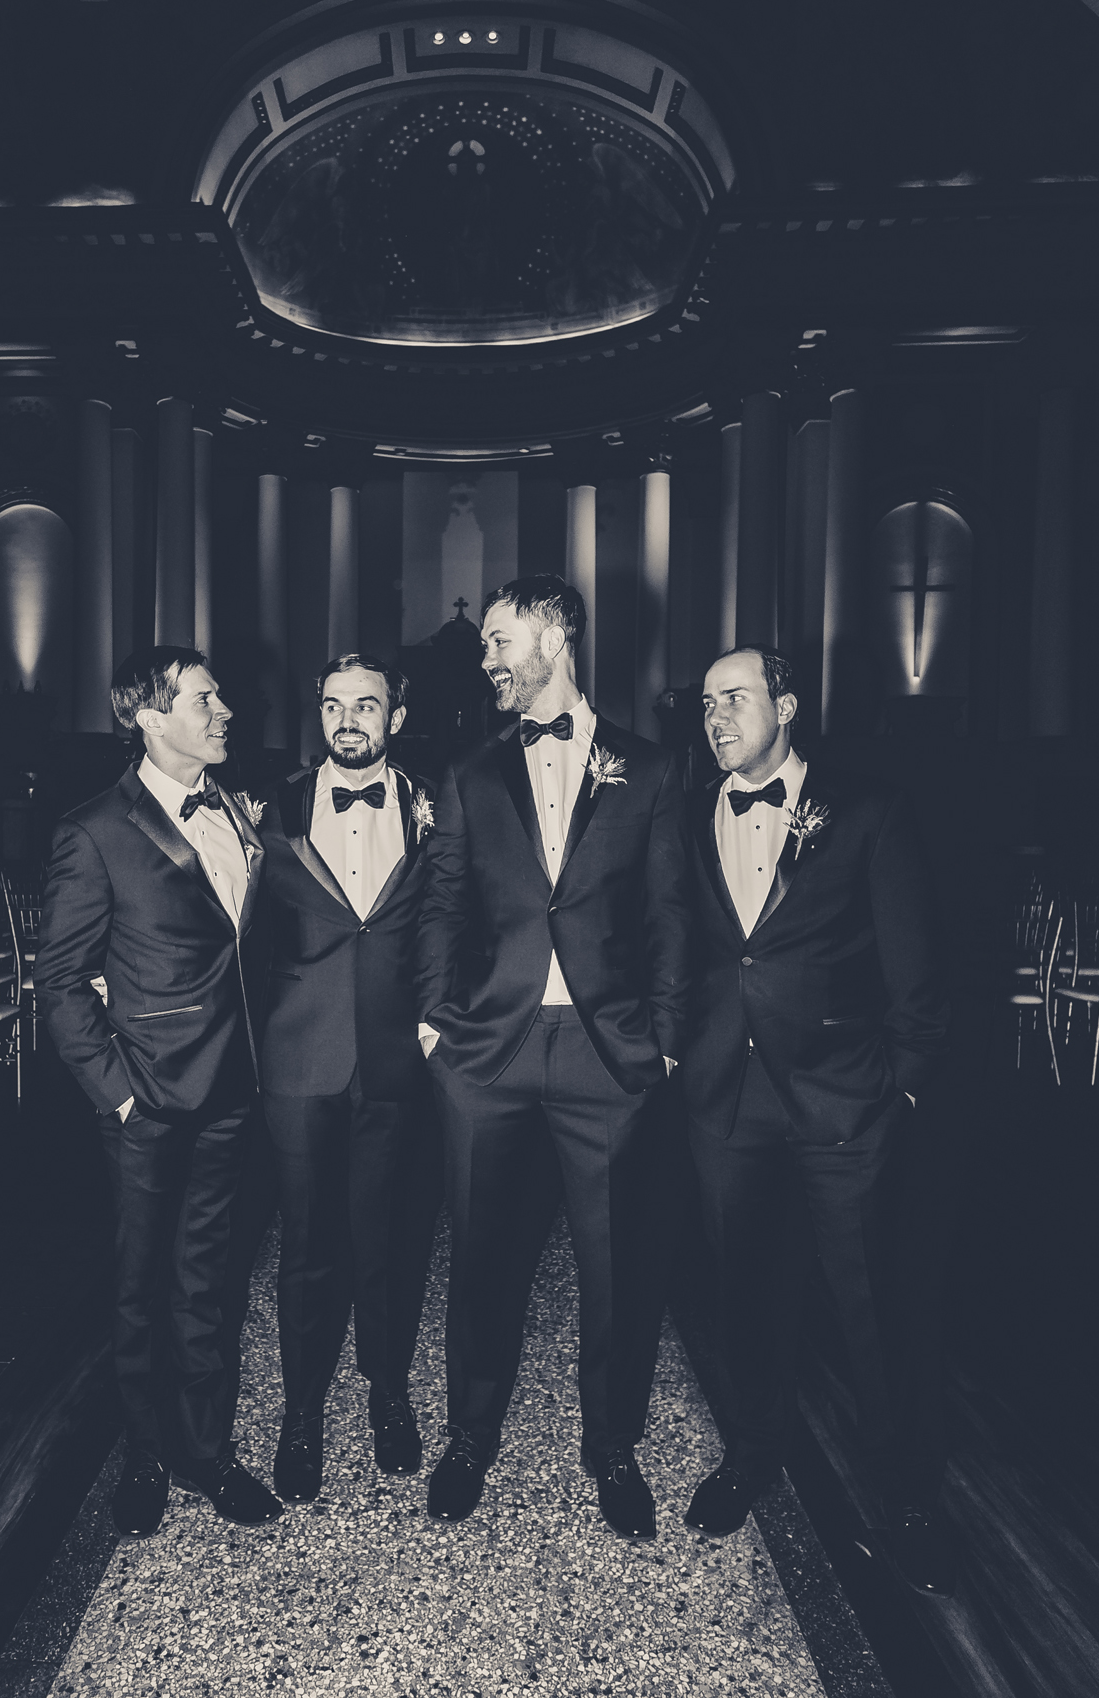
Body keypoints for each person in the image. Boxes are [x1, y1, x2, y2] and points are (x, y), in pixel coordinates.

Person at [415, 574, 689, 1538]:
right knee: (479, 1257)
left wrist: (662, 1040)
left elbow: (669, 915)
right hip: (487, 1052)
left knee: (617, 1267)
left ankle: (611, 1446)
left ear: (555, 638)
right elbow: (441, 905)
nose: (486, 658)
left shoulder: (650, 769)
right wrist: (433, 1023)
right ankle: (468, 1439)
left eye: (500, 641)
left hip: (606, 1057)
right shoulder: (469, 769)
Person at [681, 646, 954, 1593]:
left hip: (844, 1099)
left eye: (735, 698)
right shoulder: (690, 814)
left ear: (787, 706)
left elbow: (916, 969)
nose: (715, 716)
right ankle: (751, 1454)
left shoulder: (867, 812)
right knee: (742, 1293)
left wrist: (902, 1088)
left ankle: (906, 1496)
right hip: (727, 1100)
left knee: (870, 1306)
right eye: (706, 703)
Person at [36, 646, 280, 1537]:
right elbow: (60, 981)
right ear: (148, 717)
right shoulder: (94, 830)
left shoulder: (239, 812)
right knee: (141, 1288)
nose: (224, 712)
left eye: (219, 697)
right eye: (203, 700)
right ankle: (144, 1455)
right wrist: (119, 1094)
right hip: (146, 1100)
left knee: (207, 1282)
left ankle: (206, 1453)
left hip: (233, 1092)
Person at [257, 654, 442, 1502]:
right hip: (299, 1058)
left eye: (365, 706)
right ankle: (300, 1415)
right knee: (306, 1244)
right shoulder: (270, 807)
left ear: (395, 717)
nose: (347, 720)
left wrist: (444, 1021)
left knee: (391, 1239)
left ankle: (388, 1394)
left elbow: (460, 919)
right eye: (333, 705)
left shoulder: (437, 807)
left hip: (399, 1058)